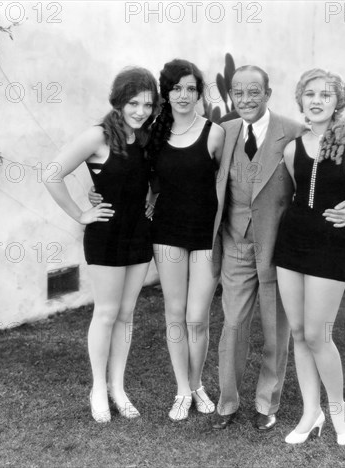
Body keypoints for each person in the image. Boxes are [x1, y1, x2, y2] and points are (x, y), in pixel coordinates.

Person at [211, 65, 345, 431]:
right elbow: (184, 170)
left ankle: (266, 403)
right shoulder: (224, 132)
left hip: (282, 247)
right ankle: (227, 404)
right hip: (235, 245)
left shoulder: (295, 132)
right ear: (231, 95)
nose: (245, 99)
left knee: (277, 329)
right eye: (238, 92)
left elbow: (331, 175)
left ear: (268, 94)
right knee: (232, 325)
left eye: (254, 92)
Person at [90, 59, 224, 422]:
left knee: (198, 317)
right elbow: (131, 175)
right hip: (165, 234)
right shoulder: (153, 135)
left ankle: (197, 384)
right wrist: (96, 196)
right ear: (167, 93)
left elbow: (231, 185)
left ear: (199, 93)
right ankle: (182, 389)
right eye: (177, 88)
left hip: (205, 236)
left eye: (191, 89)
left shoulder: (215, 133)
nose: (184, 95)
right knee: (175, 315)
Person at [43, 67, 159, 423]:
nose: (140, 110)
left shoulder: (145, 138)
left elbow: (147, 182)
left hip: (140, 234)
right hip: (106, 234)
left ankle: (118, 388)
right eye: (133, 102)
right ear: (119, 101)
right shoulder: (98, 136)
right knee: (106, 313)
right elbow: (51, 174)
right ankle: (97, 388)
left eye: (147, 104)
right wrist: (80, 214)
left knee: (126, 314)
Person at [273, 68, 345, 445]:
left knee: (319, 334)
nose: (316, 101)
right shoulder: (292, 148)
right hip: (290, 246)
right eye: (310, 94)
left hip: (330, 247)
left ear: (338, 102)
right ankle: (309, 411)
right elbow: (299, 197)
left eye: (326, 95)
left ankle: (338, 407)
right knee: (299, 333)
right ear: (300, 99)